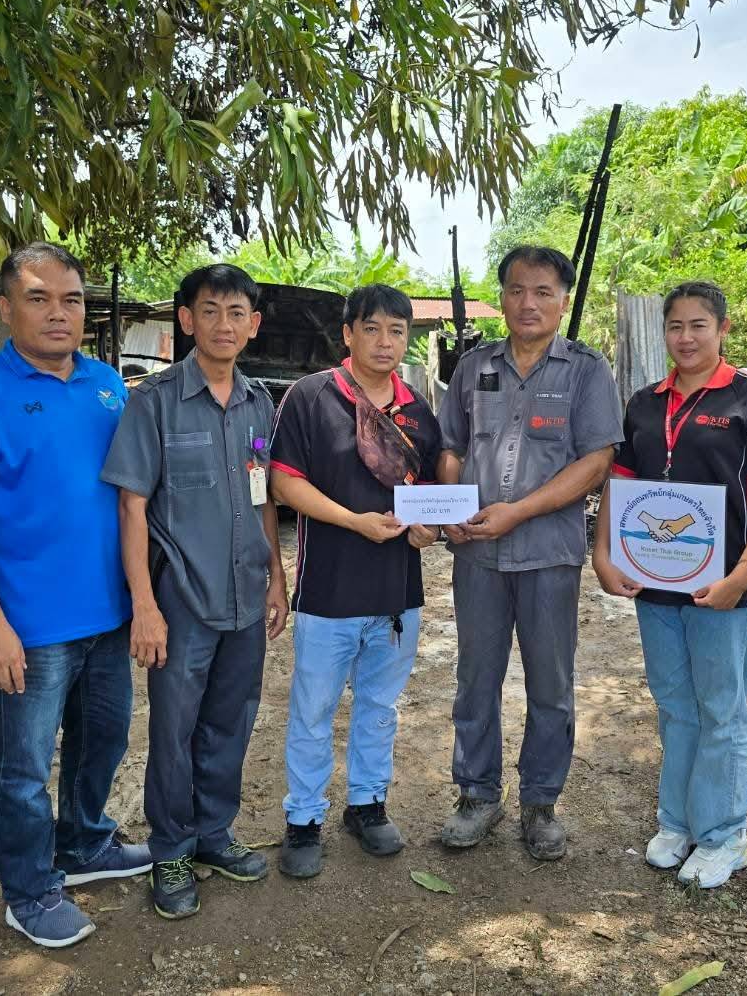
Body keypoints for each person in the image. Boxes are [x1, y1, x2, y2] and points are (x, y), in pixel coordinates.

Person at [0, 241, 150, 949]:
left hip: (109, 613)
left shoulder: (107, 386)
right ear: (5, 308)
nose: (59, 313)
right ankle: (27, 890)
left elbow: (132, 500)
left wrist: (144, 599)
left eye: (71, 300)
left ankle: (83, 844)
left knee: (102, 739)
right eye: (38, 298)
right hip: (28, 622)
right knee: (22, 766)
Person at [592, 280, 747, 890]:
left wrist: (741, 576)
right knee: (675, 706)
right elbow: (620, 484)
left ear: (723, 329)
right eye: (675, 326)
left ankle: (725, 836)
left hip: (722, 588)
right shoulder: (644, 403)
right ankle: (678, 822)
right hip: (655, 585)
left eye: (698, 325)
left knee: (721, 711)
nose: (685, 338)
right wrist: (602, 555)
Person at [100, 263, 288, 920]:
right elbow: (131, 508)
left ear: (253, 324)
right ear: (186, 319)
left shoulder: (260, 403)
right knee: (174, 728)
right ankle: (172, 849)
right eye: (210, 311)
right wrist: (144, 608)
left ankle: (213, 832)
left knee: (232, 720)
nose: (223, 325)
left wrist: (275, 574)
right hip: (181, 595)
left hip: (245, 590)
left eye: (236, 313)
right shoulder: (153, 402)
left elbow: (264, 494)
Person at [436, 245, 624, 861]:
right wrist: (451, 503)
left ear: (562, 302)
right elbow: (451, 446)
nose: (528, 303)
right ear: (502, 298)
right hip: (477, 557)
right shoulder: (473, 367)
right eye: (517, 290)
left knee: (550, 682)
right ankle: (477, 795)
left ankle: (541, 802)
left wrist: (517, 511)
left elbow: (597, 461)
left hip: (548, 554)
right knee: (475, 678)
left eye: (543, 292)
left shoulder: (586, 371)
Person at [267, 285, 442, 879]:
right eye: (372, 328)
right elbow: (284, 483)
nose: (385, 342)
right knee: (313, 709)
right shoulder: (312, 397)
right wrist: (354, 521)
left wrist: (426, 533)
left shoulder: (418, 411)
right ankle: (303, 818)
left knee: (379, 707)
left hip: (397, 593)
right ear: (348, 334)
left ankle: (367, 804)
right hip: (329, 589)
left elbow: (428, 498)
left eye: (397, 330)